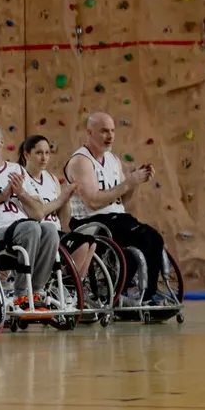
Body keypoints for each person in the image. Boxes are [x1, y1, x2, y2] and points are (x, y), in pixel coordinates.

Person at [63, 112, 163, 303]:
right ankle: (119, 289)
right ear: (90, 133)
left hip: (116, 218)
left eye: (112, 131)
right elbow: (93, 201)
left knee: (154, 238)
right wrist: (128, 182)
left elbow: (122, 199)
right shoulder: (81, 161)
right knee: (141, 236)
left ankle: (148, 293)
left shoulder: (113, 160)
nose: (110, 136)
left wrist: (135, 182)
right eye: (103, 131)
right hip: (91, 221)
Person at [0, 124, 59, 305]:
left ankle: (37, 290)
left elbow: (38, 212)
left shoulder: (17, 170)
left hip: (22, 229)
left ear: (1, 142)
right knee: (31, 227)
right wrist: (2, 196)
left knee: (49, 229)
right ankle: (21, 293)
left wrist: (21, 193)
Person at [18, 134, 97, 280]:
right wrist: (60, 199)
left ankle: (73, 287)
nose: (44, 158)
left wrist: (67, 198)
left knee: (91, 242)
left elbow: (64, 219)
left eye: (47, 153)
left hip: (57, 230)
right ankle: (62, 283)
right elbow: (37, 213)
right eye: (39, 153)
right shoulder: (22, 179)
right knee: (82, 243)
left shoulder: (52, 178)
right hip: (39, 233)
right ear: (27, 154)